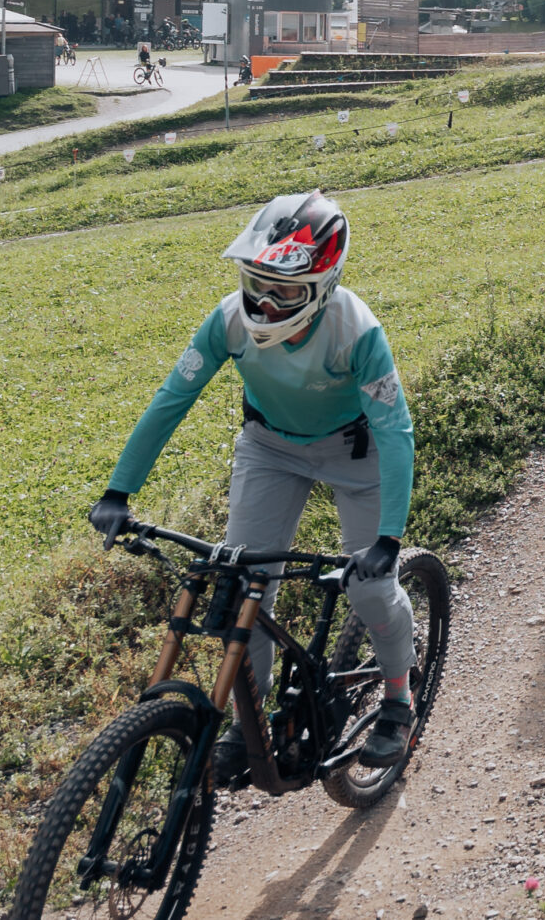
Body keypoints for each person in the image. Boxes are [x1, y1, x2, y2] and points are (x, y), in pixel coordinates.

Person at [86, 191, 419, 782]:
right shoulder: (228, 320)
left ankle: (398, 697)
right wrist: (119, 490)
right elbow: (171, 399)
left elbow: (394, 431)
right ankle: (251, 721)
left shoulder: (356, 331)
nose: (265, 304)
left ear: (322, 286)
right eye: (256, 282)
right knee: (243, 586)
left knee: (370, 592)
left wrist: (389, 539)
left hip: (355, 452)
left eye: (285, 291)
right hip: (270, 448)